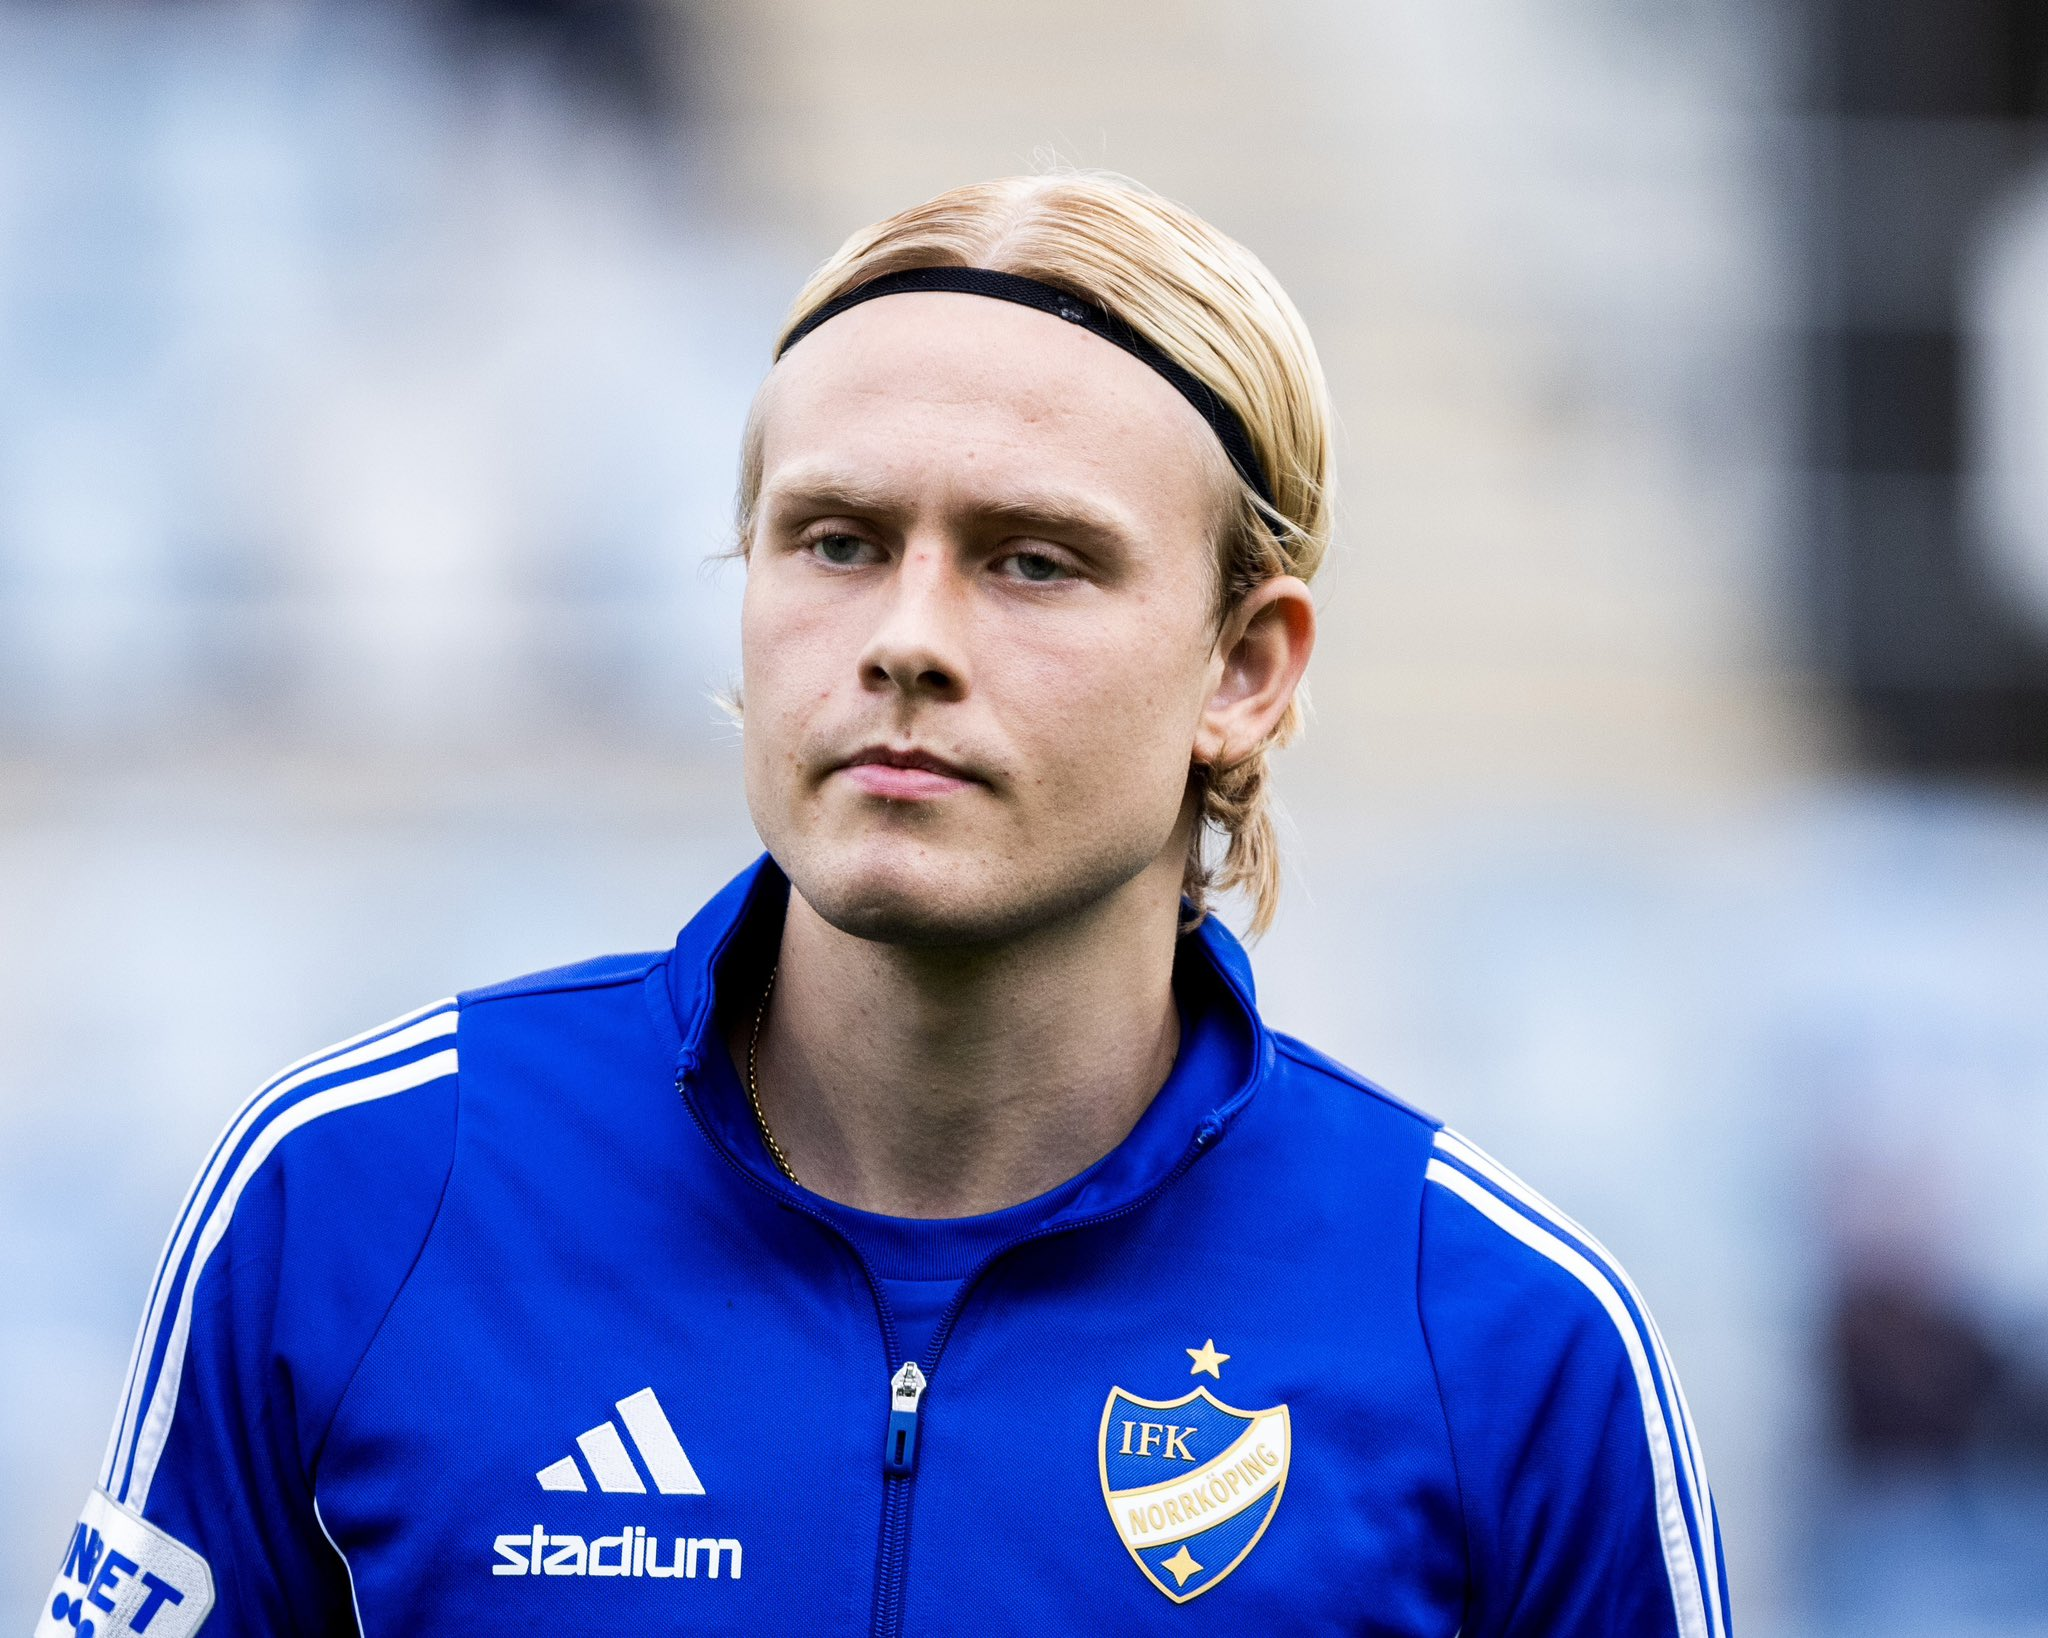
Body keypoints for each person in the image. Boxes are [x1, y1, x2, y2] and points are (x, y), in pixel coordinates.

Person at [40, 173, 1730, 1637]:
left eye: (1033, 559)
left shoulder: (1501, 1343)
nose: (906, 638)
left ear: (1245, 668)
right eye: (838, 541)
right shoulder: (359, 1199)